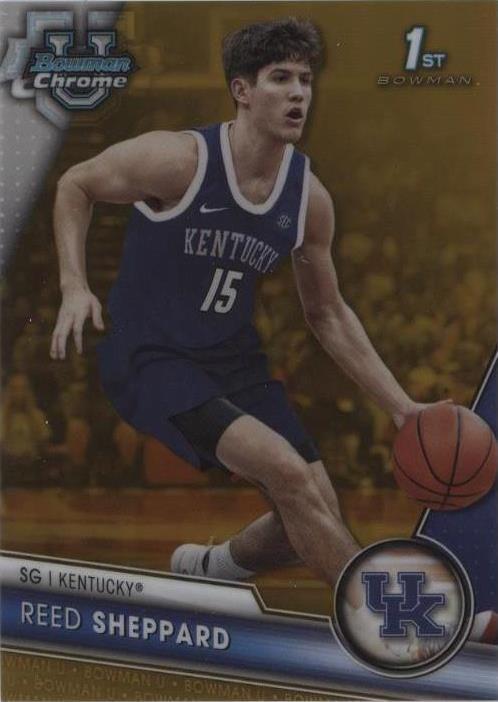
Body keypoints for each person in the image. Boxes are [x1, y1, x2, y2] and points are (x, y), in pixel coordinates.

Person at [50, 18, 436, 587]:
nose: (298, 92)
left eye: (305, 79)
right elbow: (75, 183)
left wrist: (401, 407)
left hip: (234, 362)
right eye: (280, 78)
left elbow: (327, 313)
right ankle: (385, 609)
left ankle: (212, 568)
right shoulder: (179, 159)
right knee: (289, 475)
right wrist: (74, 284)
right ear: (242, 90)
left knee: (312, 507)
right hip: (152, 357)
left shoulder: (308, 199)